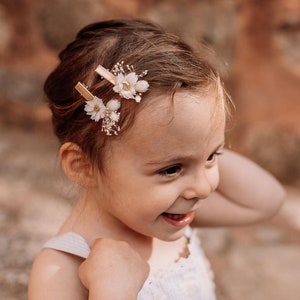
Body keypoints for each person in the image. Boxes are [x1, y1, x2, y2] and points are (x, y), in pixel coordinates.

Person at [28, 19, 285, 300]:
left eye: (213, 156)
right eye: (172, 168)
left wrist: (197, 141)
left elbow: (266, 201)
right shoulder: (61, 270)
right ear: (83, 166)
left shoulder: (171, 214)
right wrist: (112, 291)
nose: (203, 188)